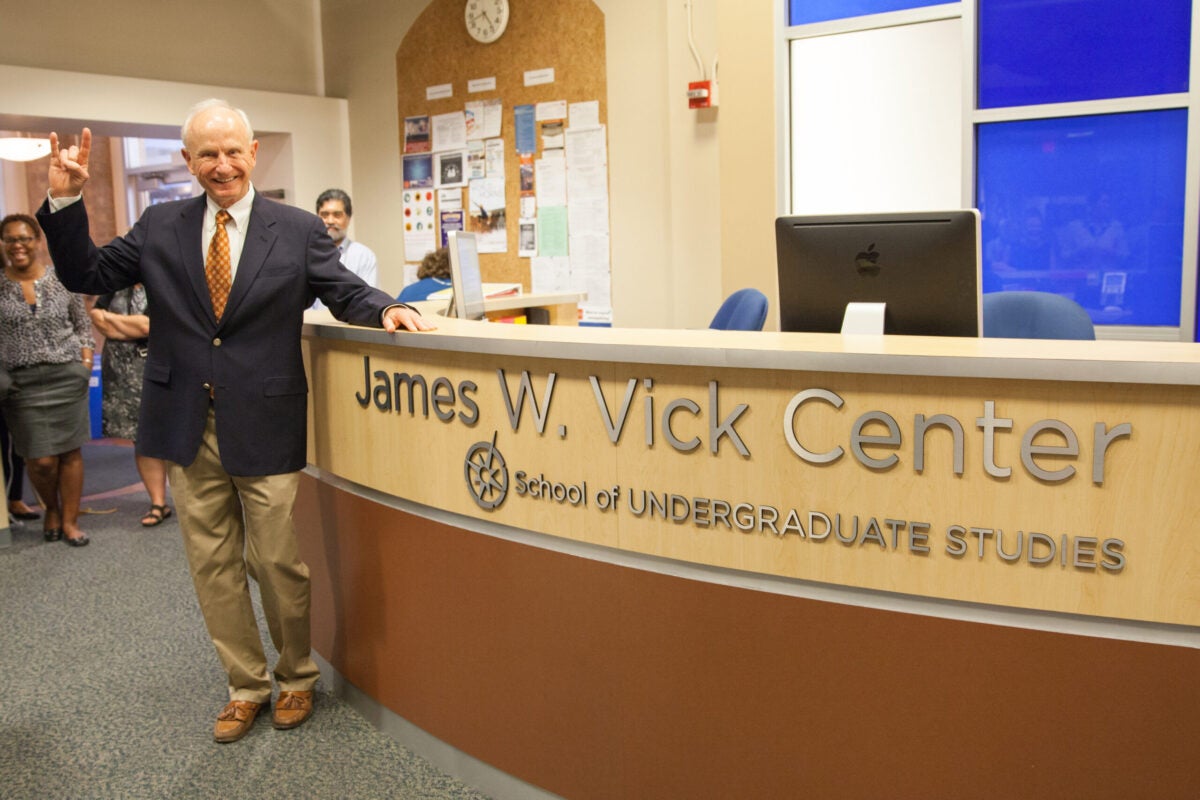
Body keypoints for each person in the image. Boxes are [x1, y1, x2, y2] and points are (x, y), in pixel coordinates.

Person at [38, 99, 434, 743]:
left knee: (277, 561)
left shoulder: (298, 228)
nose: (221, 165)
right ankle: (245, 686)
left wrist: (386, 307)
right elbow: (87, 271)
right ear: (188, 161)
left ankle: (296, 676)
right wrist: (62, 202)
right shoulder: (161, 224)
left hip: (267, 415)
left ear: (252, 154)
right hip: (186, 420)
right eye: (207, 154)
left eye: (232, 151)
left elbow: (343, 289)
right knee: (212, 562)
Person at [0, 213, 93, 546]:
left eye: (24, 238)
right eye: (10, 239)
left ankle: (68, 520)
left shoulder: (62, 280)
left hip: (66, 376)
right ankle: (50, 507)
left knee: (69, 453)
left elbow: (83, 326)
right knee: (39, 460)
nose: (18, 245)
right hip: (19, 384)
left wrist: (84, 364)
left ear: (38, 241)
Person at [89, 285, 172, 527]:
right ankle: (158, 502)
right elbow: (97, 318)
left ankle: (195, 499)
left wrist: (114, 322)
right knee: (140, 437)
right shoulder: (113, 285)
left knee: (176, 434)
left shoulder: (163, 278)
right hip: (122, 374)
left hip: (163, 369)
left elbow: (152, 326)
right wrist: (136, 326)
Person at [310, 188, 377, 311]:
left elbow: (368, 300)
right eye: (324, 215)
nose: (330, 221)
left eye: (337, 215)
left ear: (349, 218)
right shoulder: (307, 254)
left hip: (349, 326)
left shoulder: (364, 256)